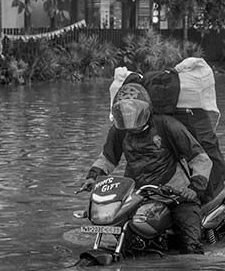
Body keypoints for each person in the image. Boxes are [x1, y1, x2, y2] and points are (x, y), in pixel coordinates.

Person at [79, 83, 212, 254]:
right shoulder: (119, 131)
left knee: (190, 248)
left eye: (133, 112)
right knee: (125, 240)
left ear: (145, 110)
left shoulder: (167, 125)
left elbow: (200, 158)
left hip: (176, 195)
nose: (129, 119)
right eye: (125, 113)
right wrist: (93, 177)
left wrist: (194, 188)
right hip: (138, 195)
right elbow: (107, 158)